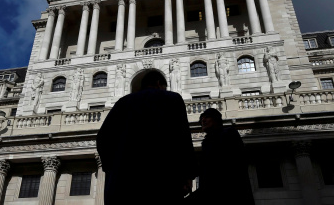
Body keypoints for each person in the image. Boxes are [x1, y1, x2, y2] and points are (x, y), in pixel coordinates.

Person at [97, 71, 196, 204]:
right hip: (162, 181)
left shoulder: (123, 102)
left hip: (124, 184)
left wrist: (112, 168)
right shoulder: (172, 99)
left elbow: (103, 138)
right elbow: (183, 139)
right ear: (159, 83)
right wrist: (187, 176)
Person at [187, 108, 254, 205]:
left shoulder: (229, 133)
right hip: (210, 191)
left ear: (215, 119)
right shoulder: (206, 142)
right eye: (201, 120)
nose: (203, 121)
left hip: (229, 191)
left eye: (206, 118)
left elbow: (238, 163)